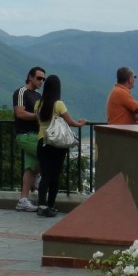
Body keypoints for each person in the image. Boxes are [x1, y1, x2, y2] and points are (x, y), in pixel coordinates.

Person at [34, 75, 87, 218]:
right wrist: (81, 123)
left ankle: (41, 206)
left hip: (42, 141)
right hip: (57, 143)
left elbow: (39, 121)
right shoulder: (58, 104)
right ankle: (51, 205)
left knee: (45, 175)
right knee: (55, 175)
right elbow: (70, 122)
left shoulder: (38, 103)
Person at [12, 66, 46, 212]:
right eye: (39, 78)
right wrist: (37, 116)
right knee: (47, 155)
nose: (41, 81)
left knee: (30, 167)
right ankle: (37, 179)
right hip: (25, 135)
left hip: (35, 135)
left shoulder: (38, 95)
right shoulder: (21, 92)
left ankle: (23, 200)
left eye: (43, 79)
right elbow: (19, 113)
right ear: (30, 77)